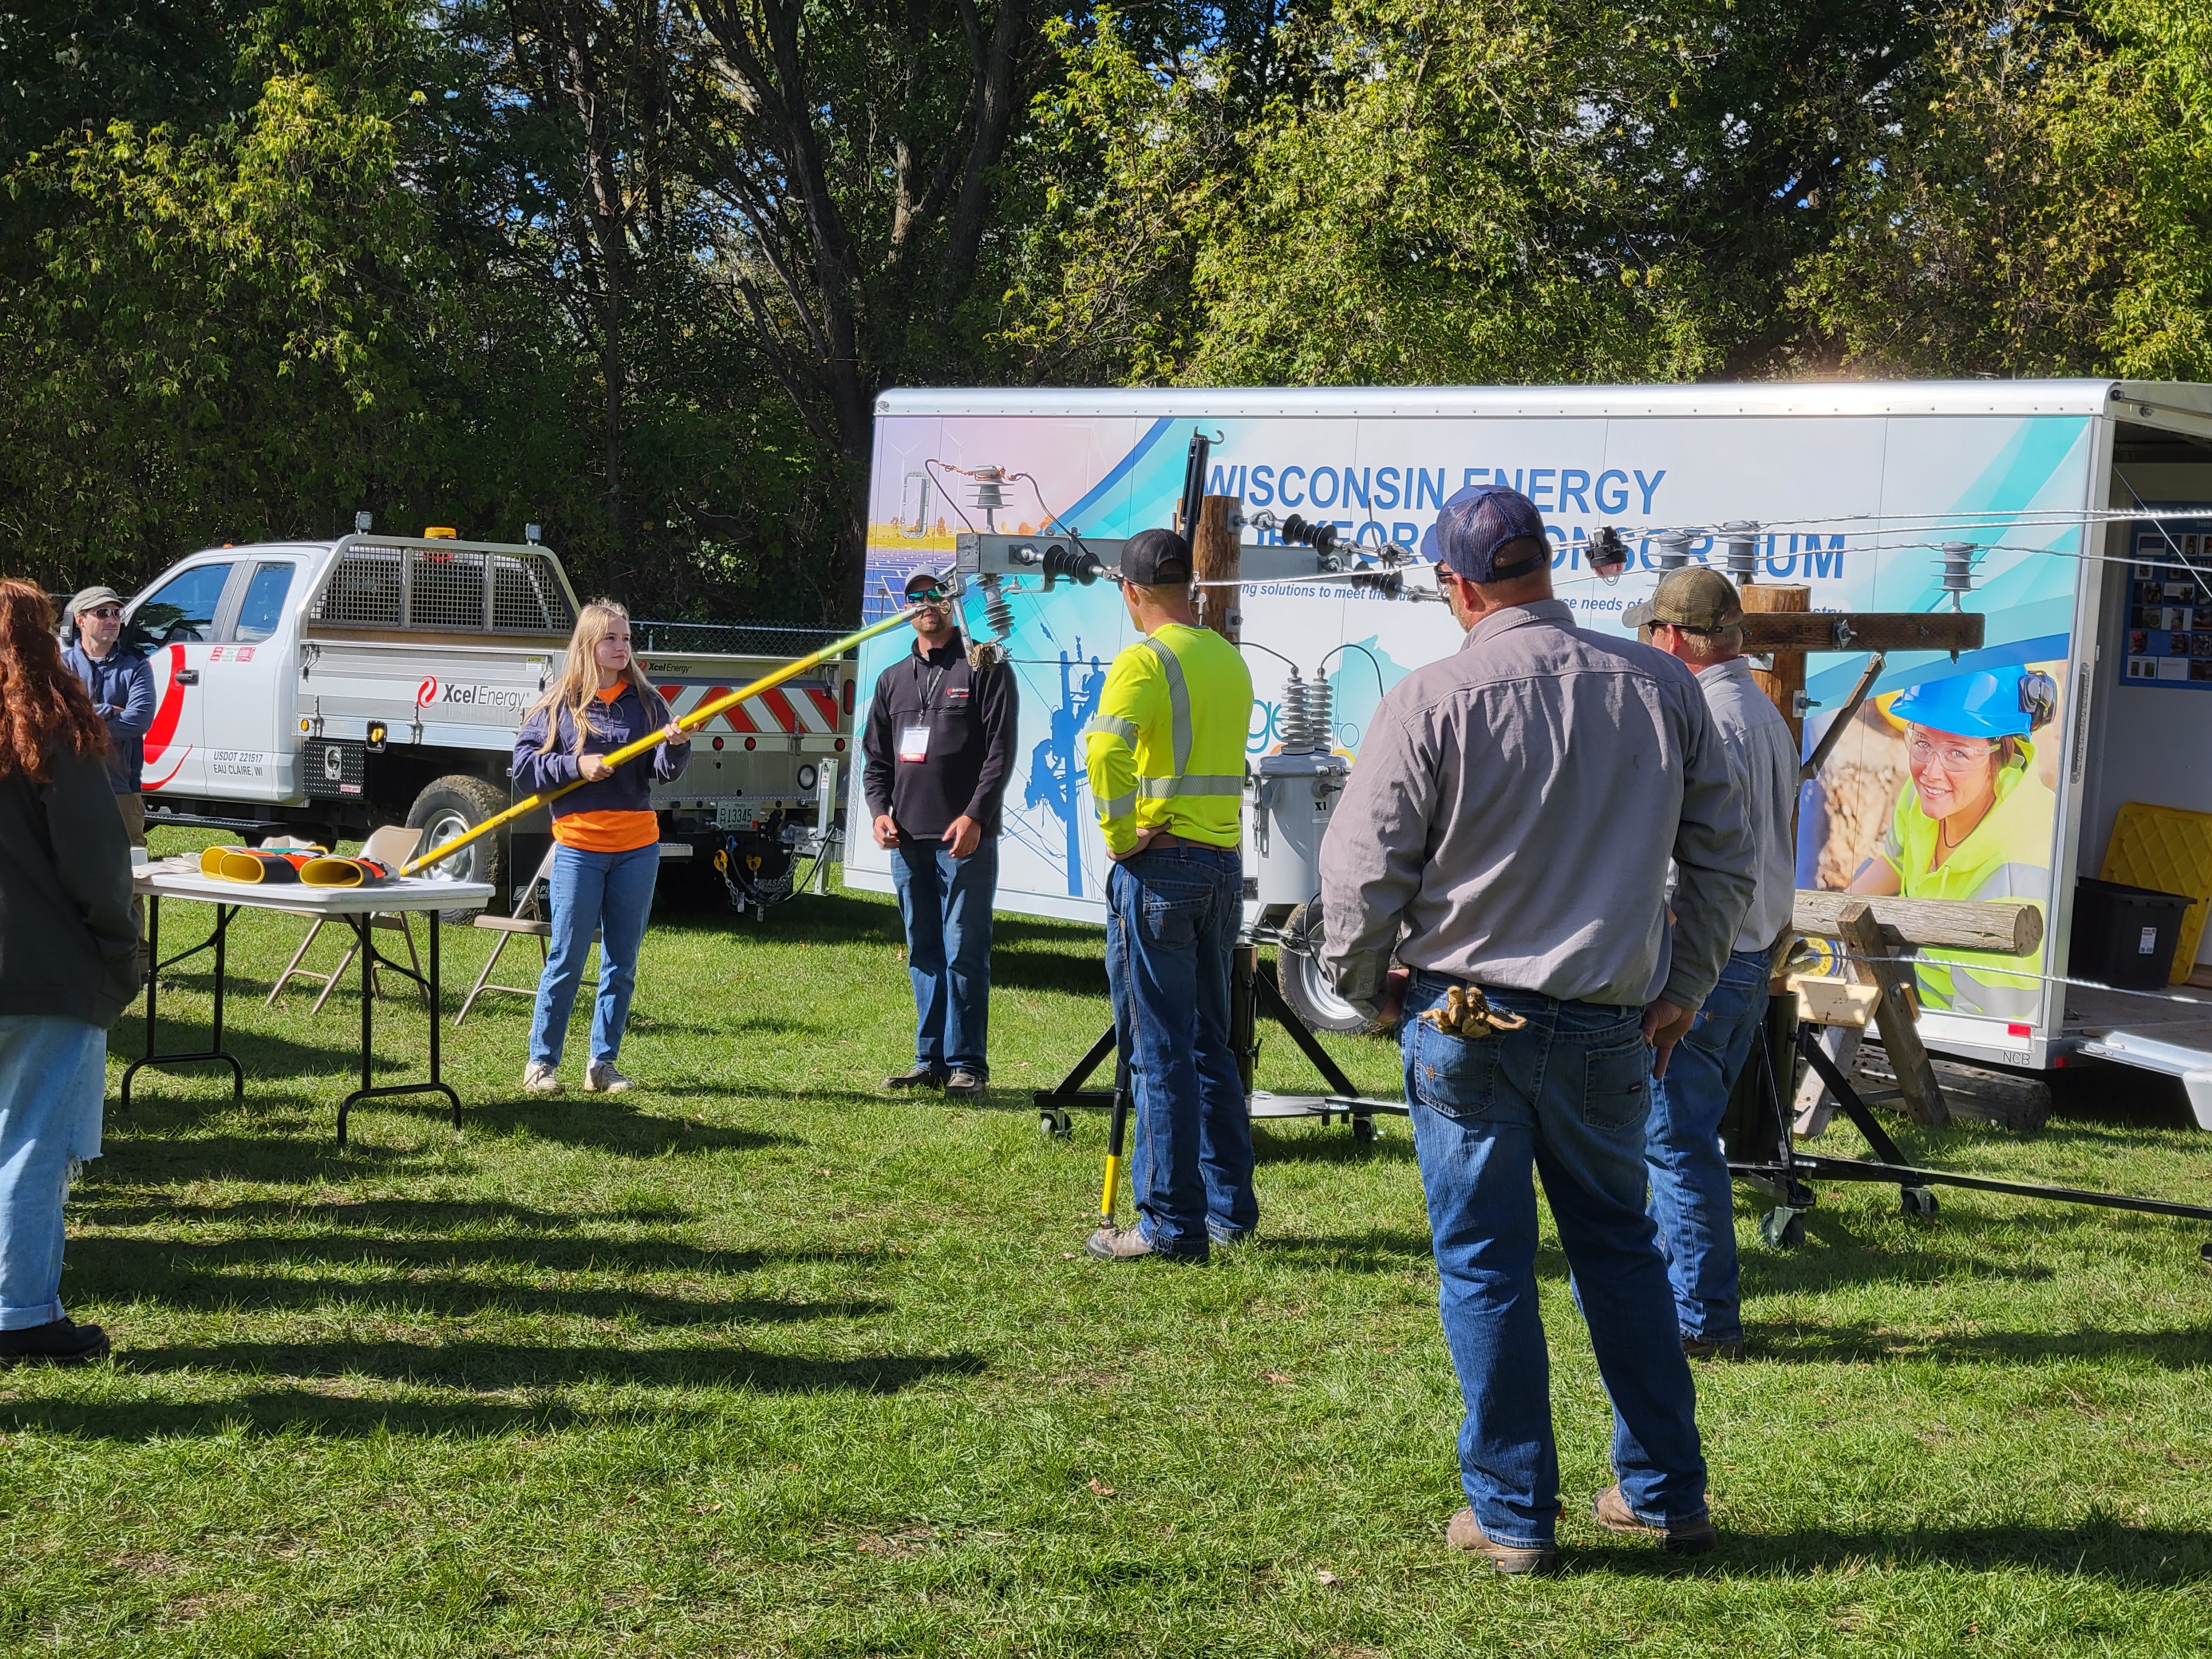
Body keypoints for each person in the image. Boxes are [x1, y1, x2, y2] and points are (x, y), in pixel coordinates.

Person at [1319, 486, 1753, 1573]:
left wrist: (1364, 987)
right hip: (1612, 1022)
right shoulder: (1660, 684)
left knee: (1485, 1262)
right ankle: (1663, 1497)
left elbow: (1361, 871)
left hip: (1466, 1014)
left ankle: (1513, 1516)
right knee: (1621, 1251)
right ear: (1547, 569)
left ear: (1459, 586)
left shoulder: (1432, 696)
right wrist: (1686, 985)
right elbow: (1725, 857)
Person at [1628, 568, 1799, 1363]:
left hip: (1712, 954)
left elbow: (1690, 857)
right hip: (1752, 949)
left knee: (1676, 1139)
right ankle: (1686, 1300)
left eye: (1650, 635)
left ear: (1672, 639)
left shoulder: (1707, 717)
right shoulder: (1760, 710)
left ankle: (1701, 1319)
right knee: (1689, 1136)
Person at [1081, 528, 1256, 1264]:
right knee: (1210, 1044)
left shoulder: (1144, 659)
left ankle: (1166, 1225)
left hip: (1160, 871)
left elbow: (1104, 748)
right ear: (1188, 586)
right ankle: (1227, 1210)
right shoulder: (1225, 657)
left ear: (1131, 592)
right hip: (1220, 867)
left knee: (1158, 1051)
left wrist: (1121, 835)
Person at [0, 579, 139, 1366]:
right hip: (40, 970)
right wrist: (119, 954)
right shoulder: (52, 729)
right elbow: (96, 864)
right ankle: (20, 1317)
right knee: (30, 1144)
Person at [512, 599, 689, 1094]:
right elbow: (525, 769)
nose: (622, 647)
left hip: (638, 846)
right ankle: (541, 1064)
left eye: (626, 638)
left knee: (621, 962)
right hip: (579, 847)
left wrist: (675, 747)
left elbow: (661, 772)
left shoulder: (649, 702)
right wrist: (577, 768)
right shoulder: (559, 706)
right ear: (588, 645)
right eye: (611, 639)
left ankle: (602, 1064)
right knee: (566, 957)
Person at [862, 567, 1018, 1099]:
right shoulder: (891, 680)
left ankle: (967, 1063)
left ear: (952, 601)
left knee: (963, 948)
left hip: (964, 838)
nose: (927, 603)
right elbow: (876, 760)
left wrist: (975, 816)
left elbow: (1000, 752)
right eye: (916, 597)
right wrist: (879, 812)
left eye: (935, 594)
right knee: (923, 948)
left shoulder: (982, 667)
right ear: (906, 608)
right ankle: (929, 1060)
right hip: (907, 841)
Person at [1847, 664, 2058, 1022]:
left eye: (1958, 752)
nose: (1930, 773)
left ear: (2003, 750)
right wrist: (1829, 930)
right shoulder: (1924, 802)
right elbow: (1895, 864)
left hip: (1972, 1031)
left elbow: (1989, 1028)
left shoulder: (2015, 875)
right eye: (1923, 742)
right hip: (1928, 1002)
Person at [61, 585, 155, 975]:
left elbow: (139, 720)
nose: (113, 620)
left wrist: (84, 716)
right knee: (70, 872)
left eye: (117, 613)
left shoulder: (136, 666)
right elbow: (57, 718)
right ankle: (81, 955)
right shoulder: (63, 667)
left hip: (121, 791)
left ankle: (137, 963)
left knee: (129, 877)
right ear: (80, 619)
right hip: (71, 788)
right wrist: (105, 711)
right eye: (103, 613)